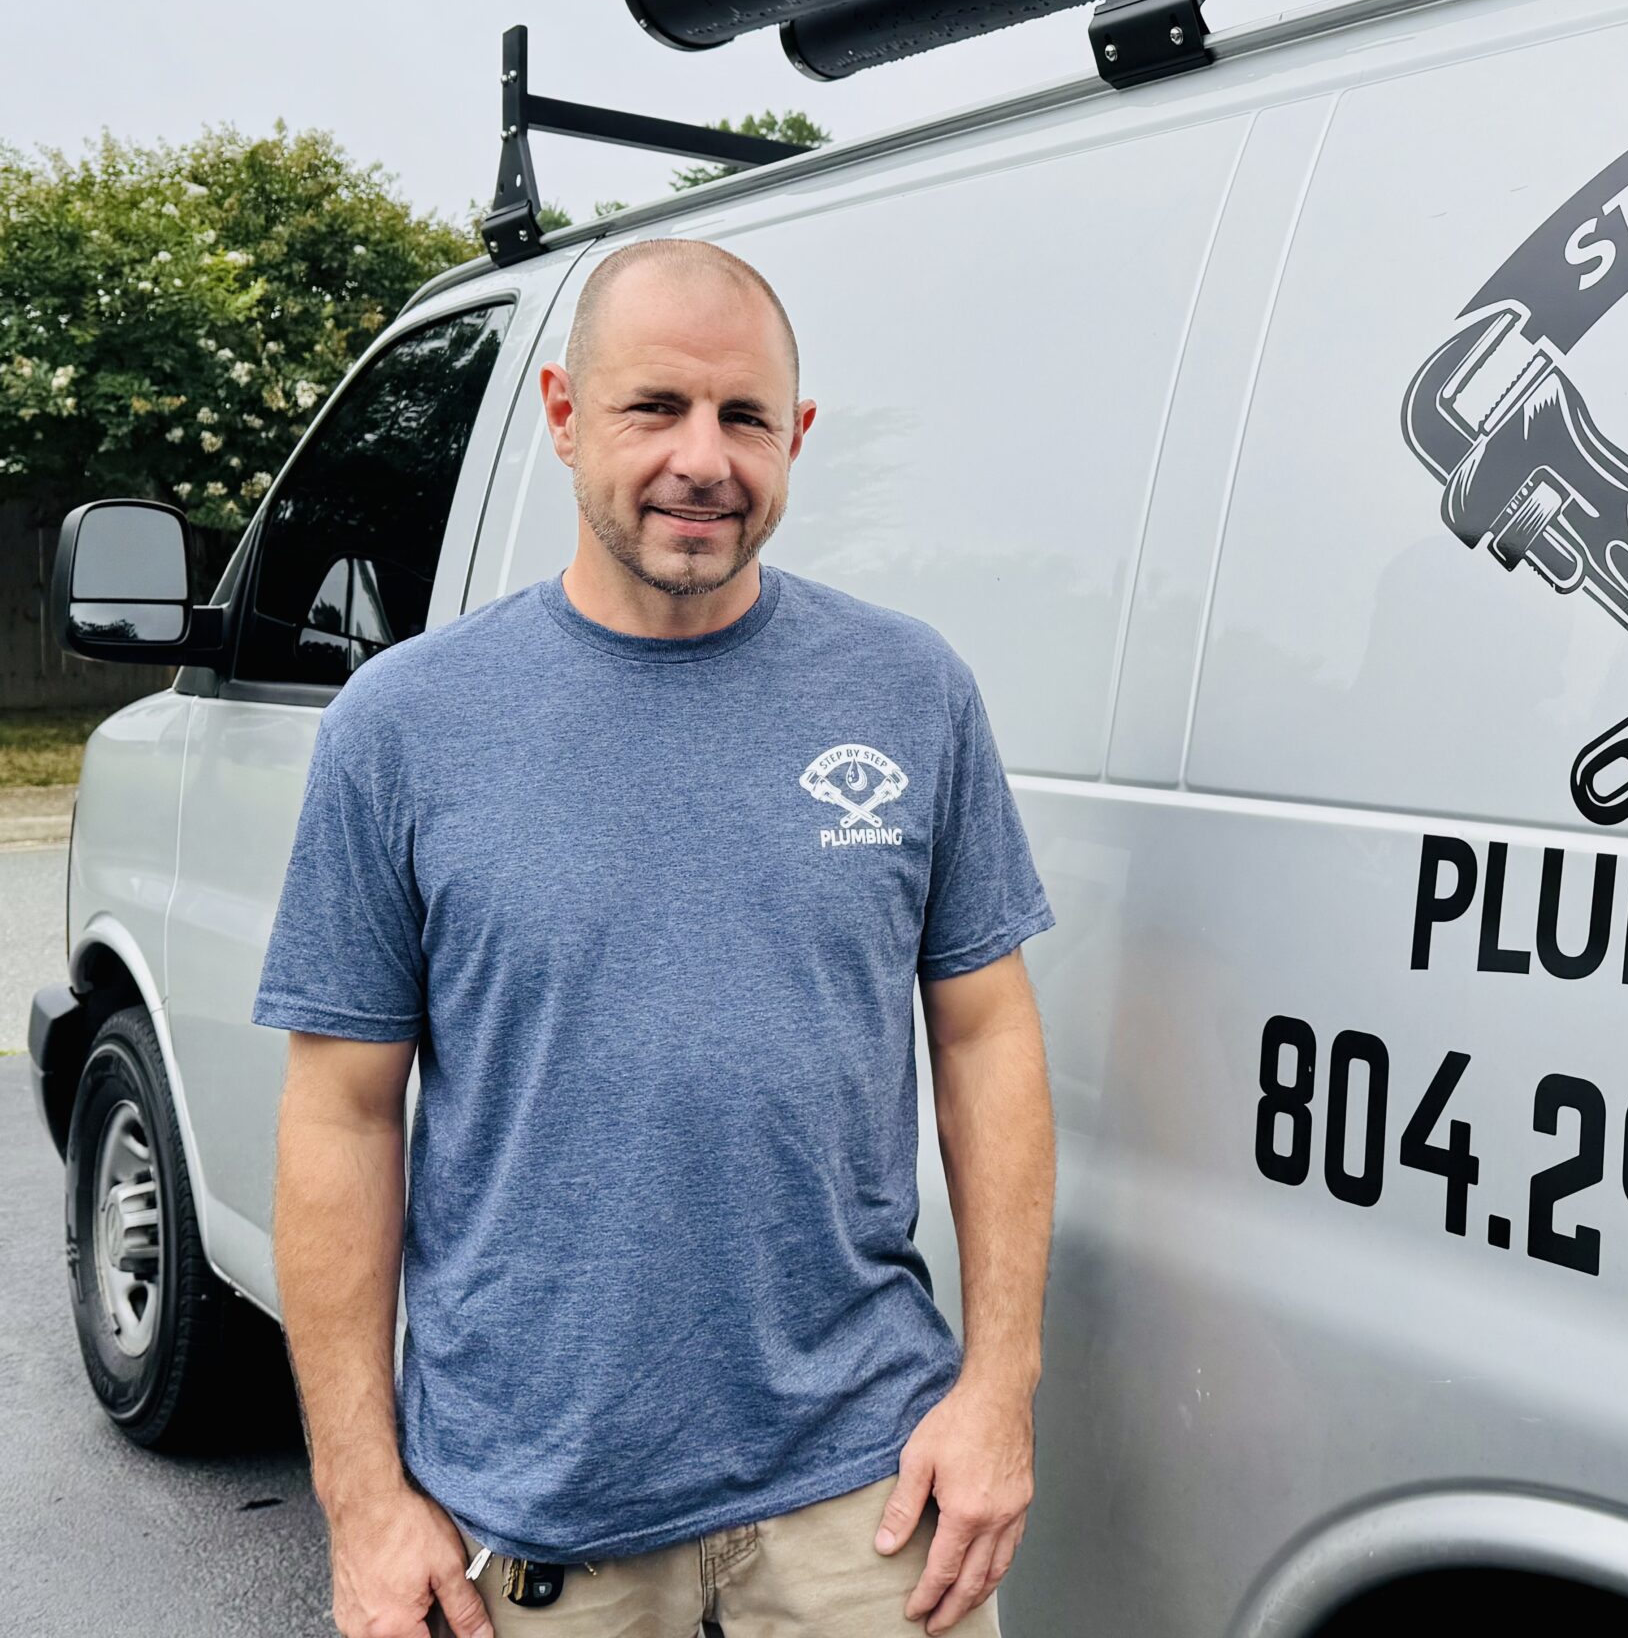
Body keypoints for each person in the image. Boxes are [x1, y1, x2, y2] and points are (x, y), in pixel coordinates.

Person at [255, 237, 1056, 1638]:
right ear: (565, 416)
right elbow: (341, 1114)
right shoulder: (405, 726)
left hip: (864, 1505)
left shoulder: (911, 690)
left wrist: (997, 1393)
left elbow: (986, 1034)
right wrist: (363, 1499)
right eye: (655, 408)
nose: (706, 458)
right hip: (531, 1517)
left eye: (746, 417)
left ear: (795, 437)